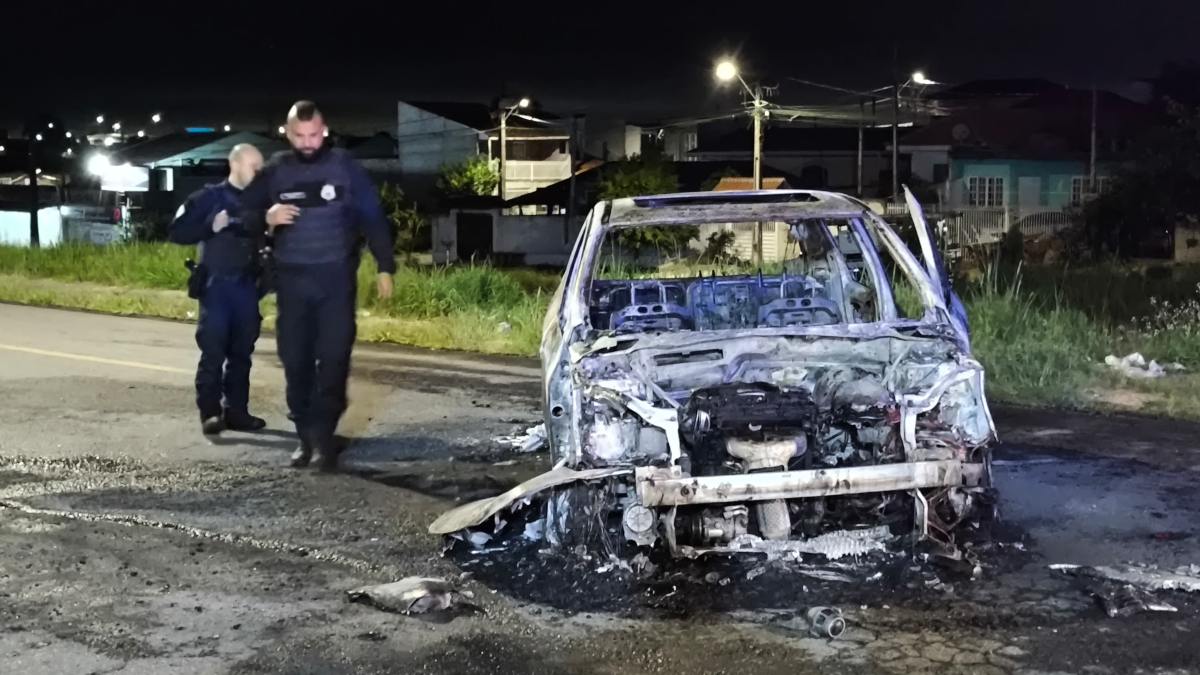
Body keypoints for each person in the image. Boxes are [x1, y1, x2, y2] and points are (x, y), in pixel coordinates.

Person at [241, 101, 395, 470]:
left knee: (334, 362)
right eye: (300, 135)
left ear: (324, 130)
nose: (308, 142)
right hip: (292, 283)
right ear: (288, 133)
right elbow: (240, 213)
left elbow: (372, 216)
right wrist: (266, 216)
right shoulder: (276, 171)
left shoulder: (344, 167)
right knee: (295, 363)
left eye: (314, 135)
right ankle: (305, 436)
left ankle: (323, 439)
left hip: (335, 283)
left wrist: (385, 266)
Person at [169, 143, 268, 436]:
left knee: (242, 353)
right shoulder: (206, 198)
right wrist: (210, 226)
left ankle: (237, 412)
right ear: (235, 164)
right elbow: (177, 231)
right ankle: (210, 413)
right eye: (255, 166)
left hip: (247, 286)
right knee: (213, 352)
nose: (259, 172)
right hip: (216, 287)